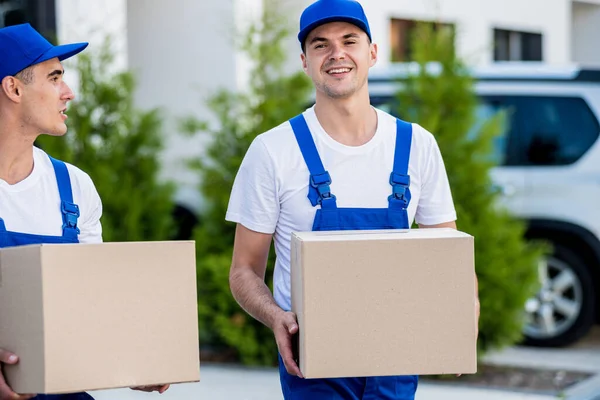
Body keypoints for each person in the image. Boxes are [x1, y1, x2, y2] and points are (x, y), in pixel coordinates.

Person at [225, 0, 480, 399]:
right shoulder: (273, 150)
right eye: (320, 45)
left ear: (372, 52)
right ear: (305, 62)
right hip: (313, 365)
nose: (336, 54)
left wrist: (461, 326)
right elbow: (243, 270)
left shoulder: (416, 145)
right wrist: (275, 317)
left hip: (396, 359)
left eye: (350, 40)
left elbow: (449, 260)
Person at [0, 23, 169, 400]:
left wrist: (128, 360)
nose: (69, 93)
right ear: (13, 88)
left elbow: (91, 305)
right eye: (55, 77)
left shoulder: (73, 187)